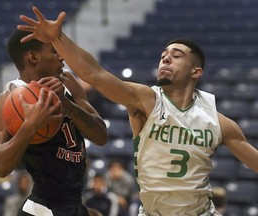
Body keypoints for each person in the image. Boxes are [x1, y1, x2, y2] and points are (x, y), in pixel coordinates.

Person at [17, 6, 258, 215]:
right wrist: (58, 38)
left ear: (196, 72)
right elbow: (95, 74)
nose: (165, 59)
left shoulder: (219, 122)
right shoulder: (146, 100)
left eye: (176, 56)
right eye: (163, 56)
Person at [0, 28, 108, 216]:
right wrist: (30, 126)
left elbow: (101, 136)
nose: (61, 57)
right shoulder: (9, 100)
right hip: (43, 207)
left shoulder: (68, 82)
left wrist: (66, 103)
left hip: (75, 202)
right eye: (54, 51)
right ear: (33, 57)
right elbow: (0, 167)